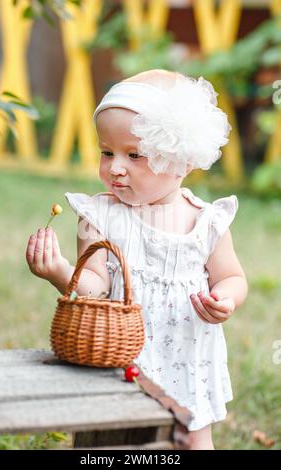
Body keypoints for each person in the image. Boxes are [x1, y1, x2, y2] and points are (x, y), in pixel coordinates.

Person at [26, 69, 248, 450]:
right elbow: (94, 285)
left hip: (187, 356)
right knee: (109, 441)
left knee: (193, 437)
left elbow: (232, 277)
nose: (115, 167)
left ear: (180, 159)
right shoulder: (100, 217)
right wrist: (60, 272)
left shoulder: (207, 222)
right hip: (119, 354)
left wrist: (226, 299)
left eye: (135, 155)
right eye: (106, 152)